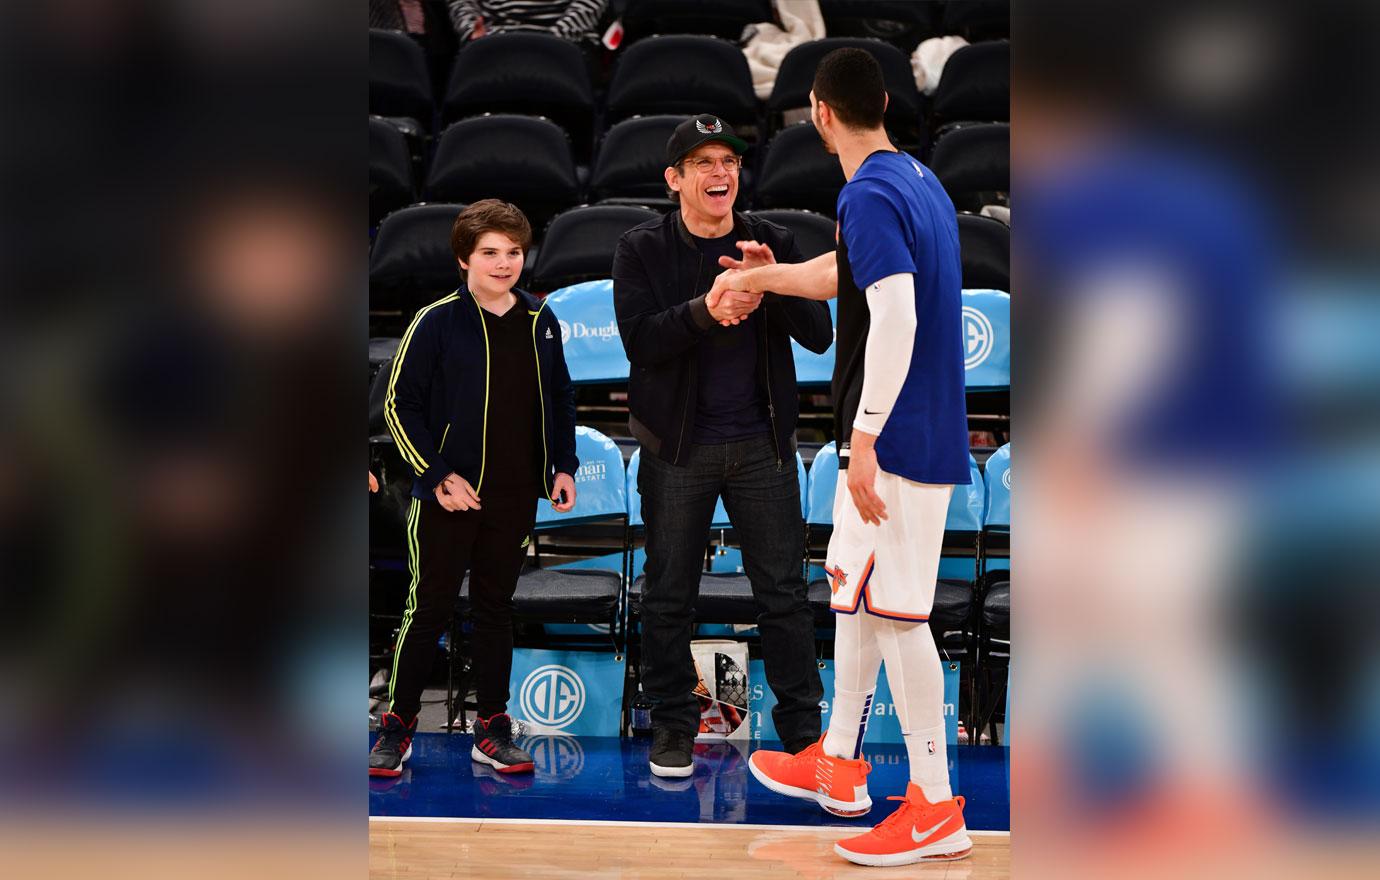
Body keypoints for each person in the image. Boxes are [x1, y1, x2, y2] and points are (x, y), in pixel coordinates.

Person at [714, 50, 974, 865]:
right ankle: (839, 761)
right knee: (858, 601)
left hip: (896, 440)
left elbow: (892, 315)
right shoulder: (915, 180)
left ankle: (934, 804)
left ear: (819, 113)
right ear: (883, 104)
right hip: (909, 430)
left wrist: (863, 439)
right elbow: (852, 276)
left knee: (900, 618)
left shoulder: (866, 191)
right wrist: (770, 280)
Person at [612, 114, 833, 779]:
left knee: (785, 595)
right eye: (703, 162)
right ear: (675, 179)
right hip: (678, 449)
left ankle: (802, 738)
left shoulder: (771, 240)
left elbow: (819, 335)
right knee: (669, 593)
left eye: (730, 161)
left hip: (762, 448)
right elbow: (641, 343)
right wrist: (705, 312)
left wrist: (774, 282)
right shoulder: (642, 248)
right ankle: (674, 728)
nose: (720, 174)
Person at [370, 199, 579, 779]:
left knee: (495, 610)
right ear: (464, 259)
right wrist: (435, 476)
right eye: (490, 252)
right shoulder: (434, 320)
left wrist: (563, 465)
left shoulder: (541, 320)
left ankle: (492, 727)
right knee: (428, 607)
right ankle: (397, 726)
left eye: (514, 252)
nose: (504, 262)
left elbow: (560, 399)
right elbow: (398, 406)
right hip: (444, 496)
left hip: (513, 498)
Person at [447, 0, 607, 44]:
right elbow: (463, 4)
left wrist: (554, 39)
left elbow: (589, 5)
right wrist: (473, 32)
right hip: (494, 42)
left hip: (566, 44)